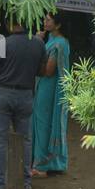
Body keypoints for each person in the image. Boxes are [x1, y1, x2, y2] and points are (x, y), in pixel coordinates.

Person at [0, 20, 43, 189]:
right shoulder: (38, 43)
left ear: (10, 23)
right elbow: (43, 70)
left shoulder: (2, 41)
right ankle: (25, 182)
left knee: (0, 139)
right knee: (25, 139)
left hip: (4, 93)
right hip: (26, 94)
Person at [32, 10, 70, 175]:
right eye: (45, 19)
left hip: (49, 89)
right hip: (43, 87)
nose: (45, 23)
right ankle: (49, 163)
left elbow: (48, 70)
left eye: (48, 20)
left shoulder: (59, 43)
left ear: (58, 24)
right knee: (42, 122)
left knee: (43, 124)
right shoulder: (51, 40)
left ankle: (43, 165)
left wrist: (36, 46)